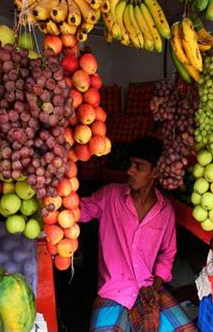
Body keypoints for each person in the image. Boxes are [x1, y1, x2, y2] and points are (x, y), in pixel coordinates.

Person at [80, 137, 197, 331]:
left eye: (138, 166)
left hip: (148, 289)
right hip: (113, 293)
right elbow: (79, 211)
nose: (130, 171)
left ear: (155, 172)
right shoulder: (110, 196)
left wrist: (156, 286)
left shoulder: (165, 211)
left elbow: (167, 255)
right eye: (130, 164)